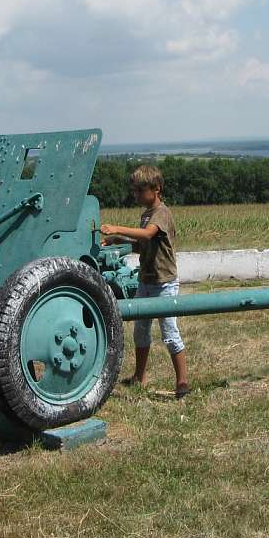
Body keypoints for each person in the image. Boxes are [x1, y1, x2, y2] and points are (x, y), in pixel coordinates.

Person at [100, 164, 190, 399]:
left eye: (140, 190)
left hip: (164, 283)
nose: (136, 195)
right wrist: (118, 239)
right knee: (140, 331)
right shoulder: (146, 215)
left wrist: (117, 227)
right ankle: (140, 376)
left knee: (170, 333)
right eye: (135, 190)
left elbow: (148, 234)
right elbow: (141, 245)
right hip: (146, 280)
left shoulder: (161, 213)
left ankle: (182, 382)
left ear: (156, 189)